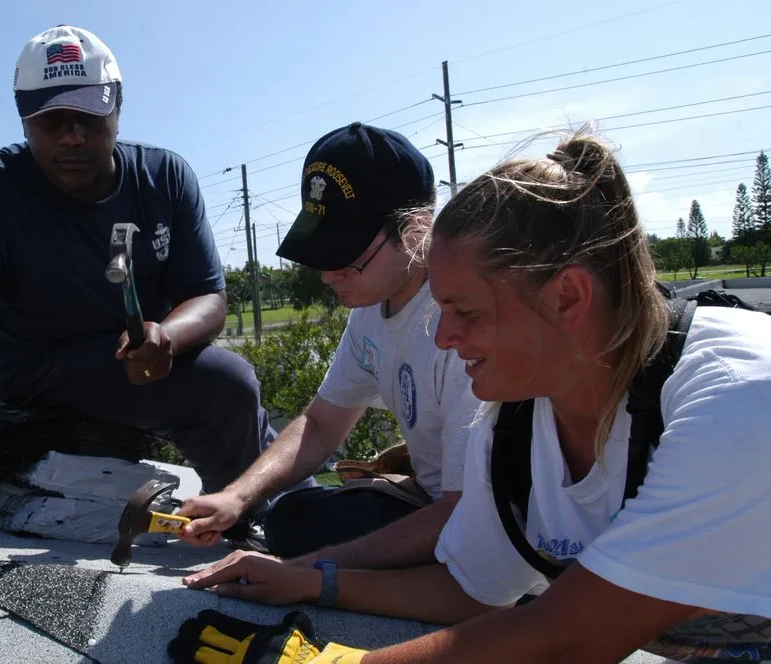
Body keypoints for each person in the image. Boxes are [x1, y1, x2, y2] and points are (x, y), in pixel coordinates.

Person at [173, 128, 771, 663]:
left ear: (568, 297)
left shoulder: (734, 402)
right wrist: (308, 580)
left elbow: (569, 638)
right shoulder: (509, 424)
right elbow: (468, 589)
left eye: (465, 311)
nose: (443, 334)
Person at [0, 24, 286, 583]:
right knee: (225, 384)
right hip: (38, 367)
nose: (71, 136)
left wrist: (166, 335)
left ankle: (286, 507)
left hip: (135, 353)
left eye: (88, 117)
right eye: (50, 120)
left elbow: (209, 297)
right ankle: (273, 524)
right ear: (23, 118)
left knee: (245, 405)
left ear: (117, 110)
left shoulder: (164, 178)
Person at [176, 122, 481, 564]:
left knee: (311, 539)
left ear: (415, 230)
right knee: (288, 520)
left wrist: (306, 577)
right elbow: (321, 425)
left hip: (480, 520)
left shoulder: (459, 323)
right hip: (436, 502)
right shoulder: (372, 308)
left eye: (348, 257)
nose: (327, 275)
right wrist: (236, 497)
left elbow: (468, 515)